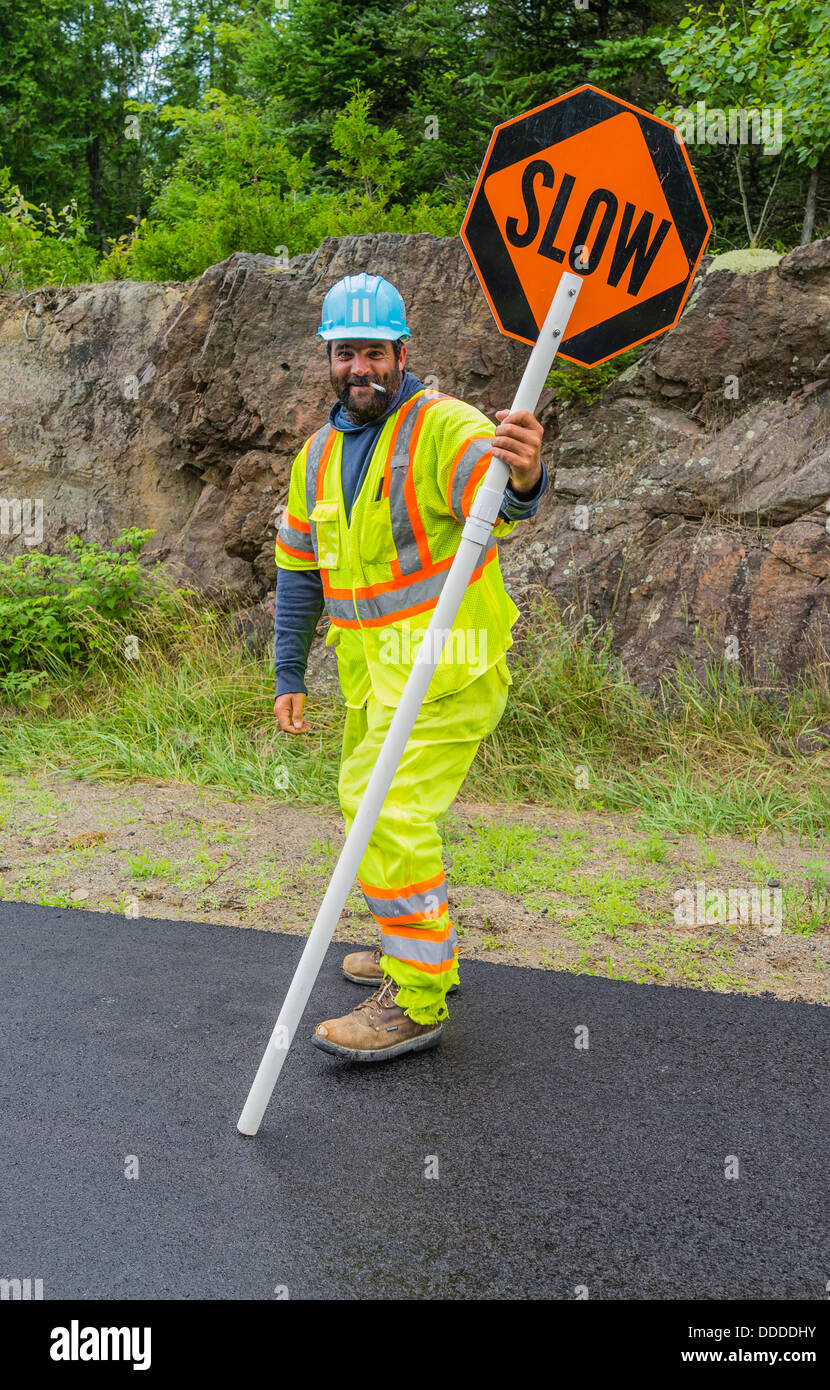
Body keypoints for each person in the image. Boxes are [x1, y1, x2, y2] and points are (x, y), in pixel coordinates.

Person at [273, 272, 548, 1062]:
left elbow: (500, 493)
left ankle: (419, 999)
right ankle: (412, 944)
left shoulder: (444, 427)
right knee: (368, 812)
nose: (361, 367)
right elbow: (299, 573)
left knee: (385, 815)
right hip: (372, 679)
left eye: (376, 352)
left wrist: (523, 472)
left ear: (403, 352)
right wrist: (289, 674)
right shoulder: (318, 457)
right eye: (346, 352)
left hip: (449, 669)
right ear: (328, 358)